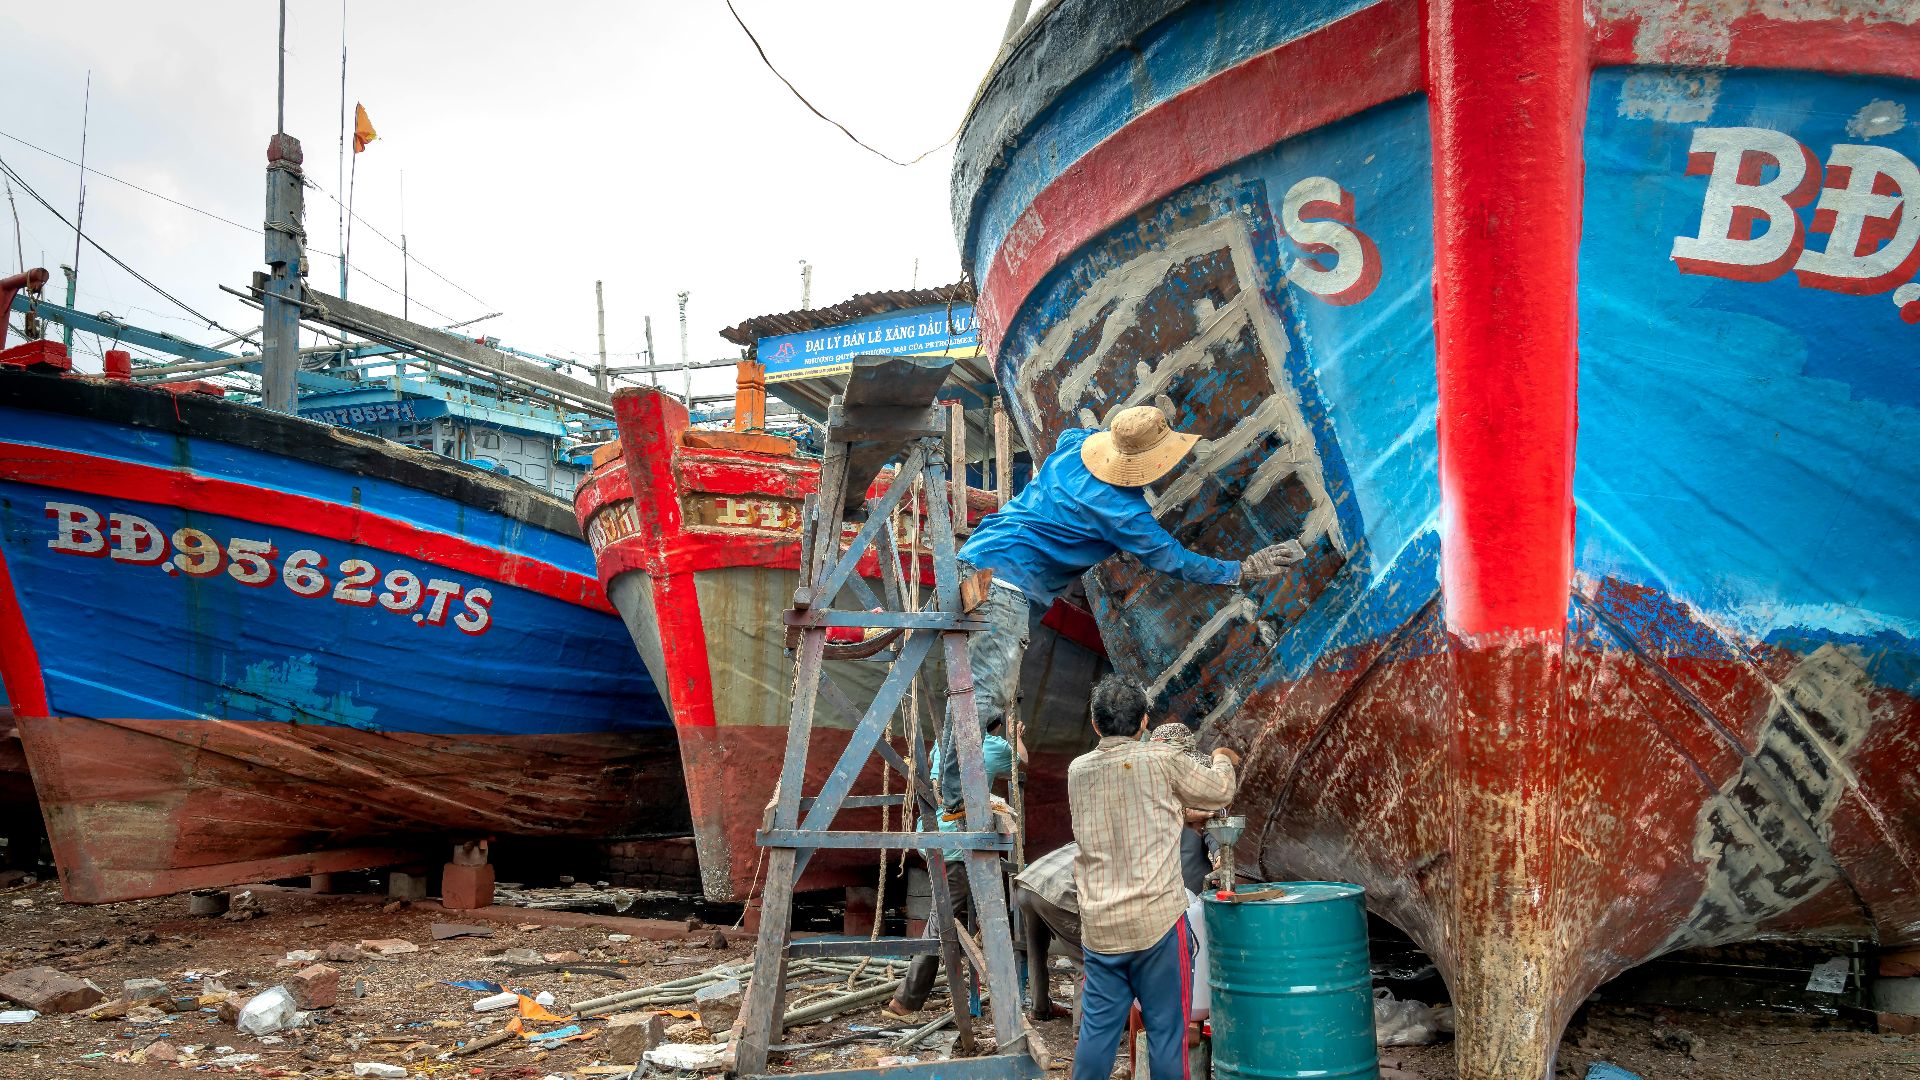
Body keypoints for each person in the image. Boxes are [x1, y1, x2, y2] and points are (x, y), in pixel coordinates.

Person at [940, 404, 1304, 814]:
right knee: (982, 698)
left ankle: (954, 792)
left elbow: (1068, 435)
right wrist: (1242, 569)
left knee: (968, 689)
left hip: (972, 560)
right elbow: (1175, 559)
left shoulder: (1072, 450)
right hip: (1006, 587)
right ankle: (957, 803)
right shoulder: (1124, 513)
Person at [1068, 675, 1239, 1080]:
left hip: (1102, 927)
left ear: (1095, 725)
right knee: (1167, 1034)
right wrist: (1221, 757)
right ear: (1145, 722)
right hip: (1158, 924)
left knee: (1096, 1036)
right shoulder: (1161, 760)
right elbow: (1218, 793)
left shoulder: (1078, 770)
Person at [884, 726, 1018, 1016]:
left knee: (958, 914)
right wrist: (1017, 737)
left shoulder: (944, 739)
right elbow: (1021, 765)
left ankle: (983, 983)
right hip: (958, 846)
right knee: (942, 920)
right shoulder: (993, 745)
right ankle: (905, 1000)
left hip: (934, 837)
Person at [1011, 841, 1083, 1020]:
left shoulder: (1082, 840)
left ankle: (1040, 1008)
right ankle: (1083, 1028)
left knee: (1036, 950)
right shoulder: (1112, 854)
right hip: (1053, 892)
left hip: (1026, 884)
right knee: (1088, 959)